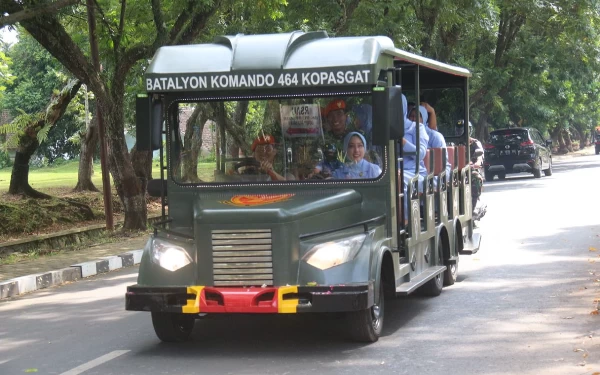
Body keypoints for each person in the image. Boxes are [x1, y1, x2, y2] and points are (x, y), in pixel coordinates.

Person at [401, 94, 429, 221]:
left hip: (414, 172)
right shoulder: (381, 129)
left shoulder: (417, 127)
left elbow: (421, 154)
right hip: (388, 171)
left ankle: (405, 222)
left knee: (399, 183)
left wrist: (402, 142)